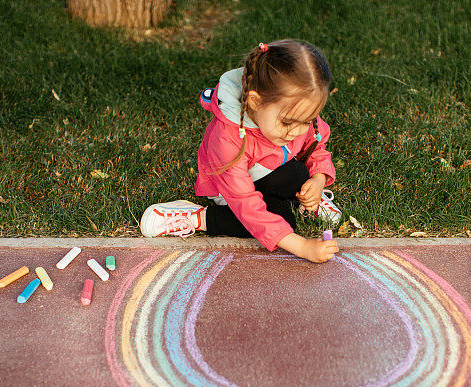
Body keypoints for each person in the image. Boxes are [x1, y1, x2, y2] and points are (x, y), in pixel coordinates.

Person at [140, 39, 342, 263]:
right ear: (255, 101)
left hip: (267, 168)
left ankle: (309, 196)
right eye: (287, 123)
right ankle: (199, 217)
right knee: (281, 220)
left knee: (298, 175)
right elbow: (246, 205)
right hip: (230, 191)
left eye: (307, 121)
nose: (296, 132)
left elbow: (316, 142)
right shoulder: (228, 138)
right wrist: (302, 246)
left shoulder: (296, 112)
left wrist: (318, 180)